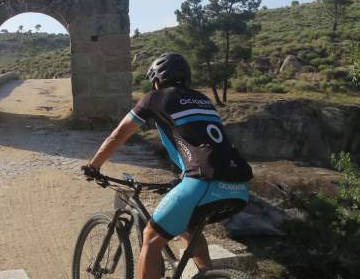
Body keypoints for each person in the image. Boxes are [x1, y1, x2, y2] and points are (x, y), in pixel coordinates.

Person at [82, 52, 253, 279]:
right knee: (188, 226)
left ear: (157, 79)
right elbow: (203, 144)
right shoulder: (204, 99)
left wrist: (94, 166)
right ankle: (207, 274)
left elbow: (118, 136)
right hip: (239, 187)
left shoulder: (154, 98)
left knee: (152, 237)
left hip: (201, 183)